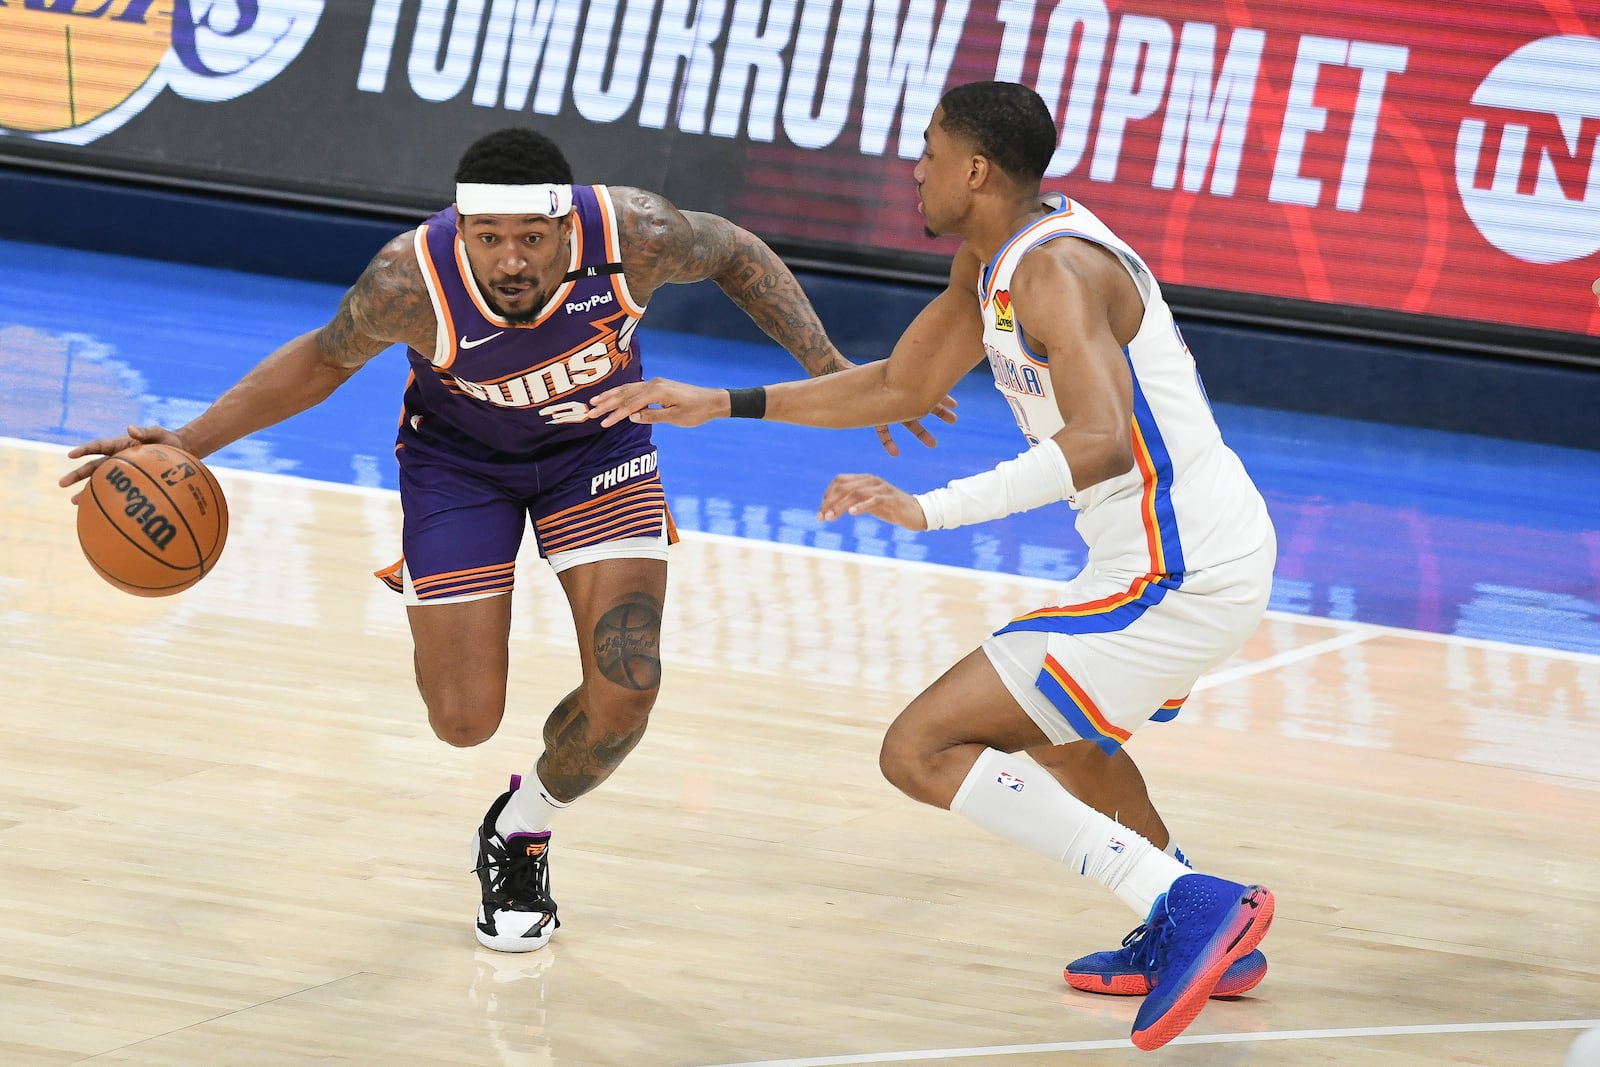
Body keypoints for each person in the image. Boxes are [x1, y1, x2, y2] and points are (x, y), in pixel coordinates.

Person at [57, 127, 952, 955]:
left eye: (531, 235)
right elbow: (325, 359)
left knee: (628, 683)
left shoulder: (635, 233)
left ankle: (522, 826)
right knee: (463, 719)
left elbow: (734, 251)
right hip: (458, 465)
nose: (511, 258)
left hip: (598, 445)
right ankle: (441, 603)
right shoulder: (410, 279)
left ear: (567, 223)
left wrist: (830, 365)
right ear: (463, 226)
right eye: (489, 237)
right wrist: (185, 441)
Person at [590, 81, 1278, 1052]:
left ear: (976, 169)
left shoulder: (1058, 273)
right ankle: (1199, 928)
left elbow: (1099, 441)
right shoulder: (990, 262)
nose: (914, 167)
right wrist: (723, 402)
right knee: (1061, 735)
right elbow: (899, 385)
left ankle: (1190, 897)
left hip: (1185, 564)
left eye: (926, 149)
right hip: (1161, 552)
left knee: (919, 747)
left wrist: (930, 507)